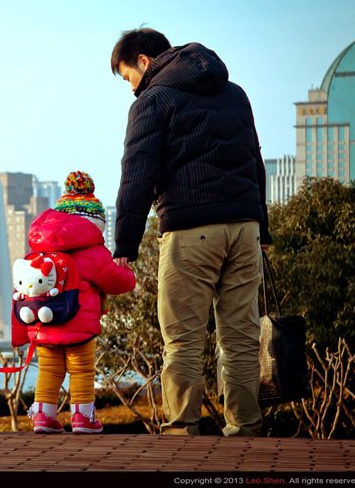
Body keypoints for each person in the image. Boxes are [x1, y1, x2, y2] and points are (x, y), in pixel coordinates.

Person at [110, 28, 272, 436]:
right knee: (240, 337)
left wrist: (125, 243)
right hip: (244, 228)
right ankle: (246, 428)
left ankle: (183, 430)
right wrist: (262, 228)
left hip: (190, 230)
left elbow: (137, 175)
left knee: (182, 338)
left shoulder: (154, 100)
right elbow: (255, 160)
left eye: (128, 77)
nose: (131, 89)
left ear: (144, 62)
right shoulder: (234, 93)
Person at [13, 171, 136, 434]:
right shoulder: (93, 252)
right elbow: (117, 282)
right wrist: (129, 274)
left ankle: (43, 417)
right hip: (79, 326)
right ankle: (82, 418)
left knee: (49, 369)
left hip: (43, 325)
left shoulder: (39, 249)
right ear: (95, 222)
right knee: (81, 370)